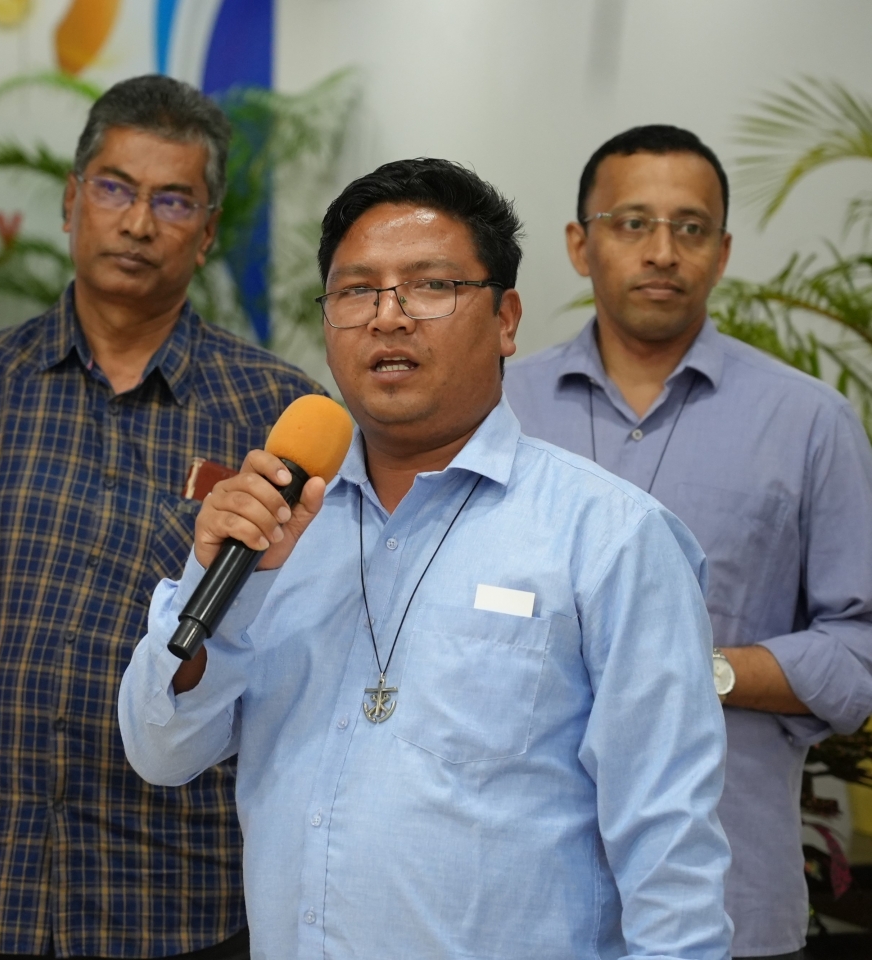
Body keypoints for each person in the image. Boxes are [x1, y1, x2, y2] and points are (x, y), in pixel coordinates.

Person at [119, 158, 734, 960]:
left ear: (506, 319)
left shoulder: (611, 537)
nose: (389, 317)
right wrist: (219, 582)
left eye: (431, 286)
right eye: (356, 291)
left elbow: (670, 852)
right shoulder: (277, 525)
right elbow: (161, 752)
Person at [0, 75, 322, 959]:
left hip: (178, 886)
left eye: (172, 200)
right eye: (115, 188)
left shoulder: (272, 408)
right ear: (71, 201)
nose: (138, 223)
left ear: (207, 233)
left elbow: (290, 640)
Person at [504, 123, 872, 959]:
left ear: (723, 251)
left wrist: (698, 670)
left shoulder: (808, 422)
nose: (663, 251)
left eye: (691, 227)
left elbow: (860, 647)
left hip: (730, 898)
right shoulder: (500, 412)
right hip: (519, 903)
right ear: (579, 244)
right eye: (632, 223)